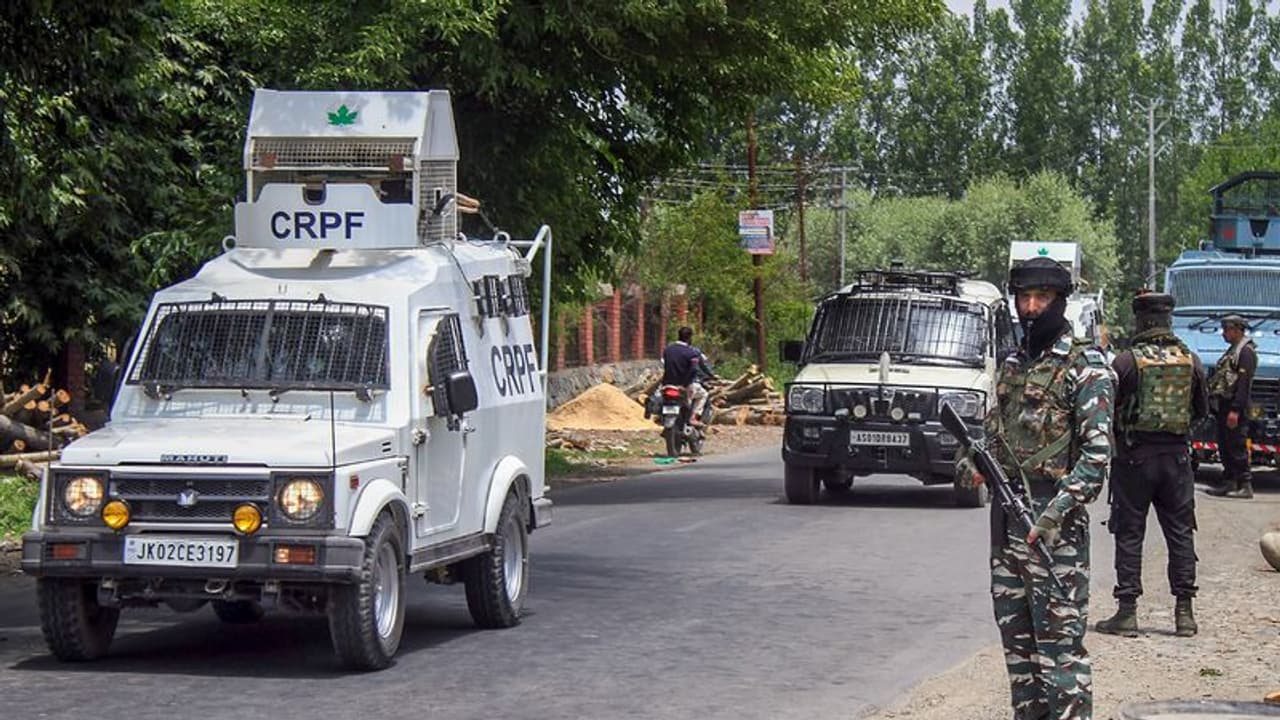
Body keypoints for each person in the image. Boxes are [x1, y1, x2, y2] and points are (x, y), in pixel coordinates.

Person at [956, 256, 1114, 720]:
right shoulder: (1012, 365)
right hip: (1007, 527)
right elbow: (990, 437)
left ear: (1060, 301)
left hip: (1053, 533)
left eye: (1041, 298)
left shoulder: (1085, 367)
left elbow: (1096, 457)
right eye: (1023, 297)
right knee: (1019, 652)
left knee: (1061, 654)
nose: (1030, 308)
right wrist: (970, 465)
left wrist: (1054, 513)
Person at [1094, 291, 1207, 640]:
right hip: (1177, 461)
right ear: (1168, 320)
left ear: (1141, 321)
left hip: (1133, 460)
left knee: (1129, 533)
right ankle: (1184, 614)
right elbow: (1202, 411)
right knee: (1180, 533)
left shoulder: (1125, 362)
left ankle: (1127, 612)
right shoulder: (1191, 361)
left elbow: (1106, 410)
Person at [1205, 314, 1257, 499]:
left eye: (1227, 330)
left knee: (1237, 446)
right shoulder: (1232, 351)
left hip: (1235, 409)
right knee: (1225, 446)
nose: (1223, 333)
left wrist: (1235, 410)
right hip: (1224, 406)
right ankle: (1229, 482)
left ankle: (1245, 484)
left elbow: (1243, 385)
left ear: (1237, 330)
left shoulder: (1246, 352)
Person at [660, 326, 710, 426]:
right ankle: (693, 418)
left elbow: (665, 364)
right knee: (704, 394)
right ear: (690, 338)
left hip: (667, 384)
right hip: (684, 386)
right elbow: (694, 369)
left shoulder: (668, 349)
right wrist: (685, 384)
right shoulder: (691, 352)